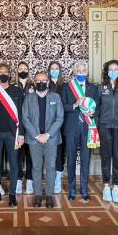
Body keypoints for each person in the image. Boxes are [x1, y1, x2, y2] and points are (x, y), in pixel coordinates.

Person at [0, 63, 25, 206]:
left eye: (5, 72)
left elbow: (21, 114)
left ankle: (12, 194)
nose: (3, 74)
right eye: (0, 72)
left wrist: (21, 134)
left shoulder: (17, 91)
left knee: (14, 163)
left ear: (9, 74)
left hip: (13, 134)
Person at [22, 71, 64, 208]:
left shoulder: (56, 97)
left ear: (48, 82)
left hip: (51, 139)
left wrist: (47, 135)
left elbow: (60, 118)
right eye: (38, 81)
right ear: (34, 83)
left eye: (44, 80)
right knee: (36, 167)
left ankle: (50, 195)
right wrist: (37, 135)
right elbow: (25, 119)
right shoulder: (28, 98)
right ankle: (38, 195)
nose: (41, 83)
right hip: (34, 140)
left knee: (51, 167)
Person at [60, 61, 99, 202]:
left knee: (85, 160)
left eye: (84, 70)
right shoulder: (67, 87)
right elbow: (62, 106)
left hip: (87, 128)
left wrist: (92, 112)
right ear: (74, 71)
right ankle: (71, 190)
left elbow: (98, 107)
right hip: (71, 128)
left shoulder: (93, 88)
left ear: (87, 72)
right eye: (79, 70)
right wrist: (74, 105)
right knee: (70, 160)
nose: (81, 73)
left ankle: (83, 189)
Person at [98, 60, 118, 203]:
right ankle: (106, 186)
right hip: (104, 125)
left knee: (117, 156)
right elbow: (97, 107)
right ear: (106, 71)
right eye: (111, 69)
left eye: (116, 69)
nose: (113, 71)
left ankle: (115, 186)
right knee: (105, 156)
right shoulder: (101, 87)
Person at [15, 61, 35, 195]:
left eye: (25, 68)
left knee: (30, 155)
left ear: (28, 70)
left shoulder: (33, 86)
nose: (23, 70)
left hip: (30, 126)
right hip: (16, 126)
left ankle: (29, 180)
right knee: (16, 154)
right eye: (20, 69)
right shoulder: (13, 86)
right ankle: (18, 179)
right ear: (17, 71)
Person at [48, 60, 66, 194]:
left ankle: (58, 179)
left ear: (59, 70)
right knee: (49, 152)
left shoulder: (65, 86)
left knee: (60, 152)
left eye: (56, 68)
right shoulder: (45, 85)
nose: (54, 70)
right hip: (47, 125)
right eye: (52, 68)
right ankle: (50, 178)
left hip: (62, 124)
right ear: (49, 71)